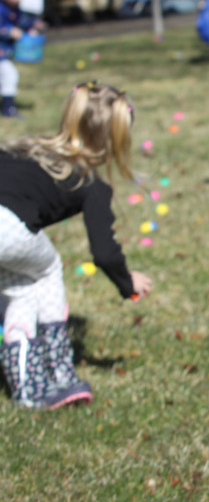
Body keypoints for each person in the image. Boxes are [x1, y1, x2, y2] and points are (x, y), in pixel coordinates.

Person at [0, 81, 153, 410]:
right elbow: (104, 252)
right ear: (115, 139)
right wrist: (128, 283)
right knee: (47, 269)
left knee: (20, 286)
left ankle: (28, 384)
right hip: (6, 228)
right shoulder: (89, 184)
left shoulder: (23, 148)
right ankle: (58, 372)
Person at [0, 0, 44, 118]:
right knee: (10, 75)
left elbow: (22, 21)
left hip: (4, 55)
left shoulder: (15, 8)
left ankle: (8, 108)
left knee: (8, 76)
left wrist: (31, 27)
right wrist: (8, 31)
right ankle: (8, 109)